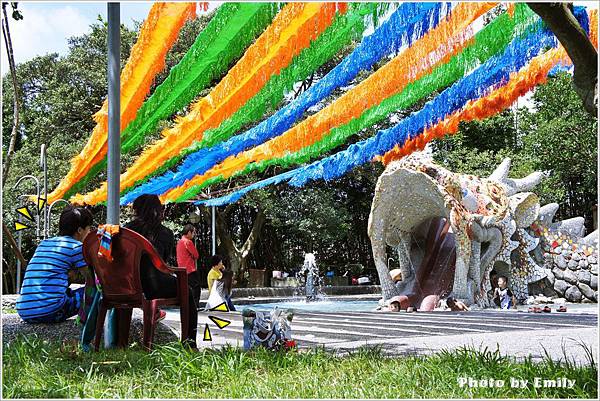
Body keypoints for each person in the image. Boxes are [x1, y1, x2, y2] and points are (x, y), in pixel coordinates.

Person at [125, 194, 198, 349]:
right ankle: (190, 343)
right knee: (188, 292)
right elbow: (162, 263)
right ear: (158, 211)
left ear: (136, 210)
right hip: (154, 285)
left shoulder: (126, 231)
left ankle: (121, 340)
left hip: (127, 284)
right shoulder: (165, 233)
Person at [17, 206, 93, 323]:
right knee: (95, 291)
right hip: (51, 311)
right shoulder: (76, 247)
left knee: (69, 291)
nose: (90, 233)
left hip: (25, 311)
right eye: (89, 229)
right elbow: (91, 278)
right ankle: (92, 325)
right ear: (80, 230)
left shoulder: (44, 244)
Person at [176, 224, 201, 308]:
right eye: (193, 232)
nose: (194, 234)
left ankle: (187, 306)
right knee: (196, 288)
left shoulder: (179, 242)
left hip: (182, 270)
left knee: (186, 289)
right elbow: (196, 255)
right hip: (190, 269)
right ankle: (195, 306)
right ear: (189, 232)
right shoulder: (188, 242)